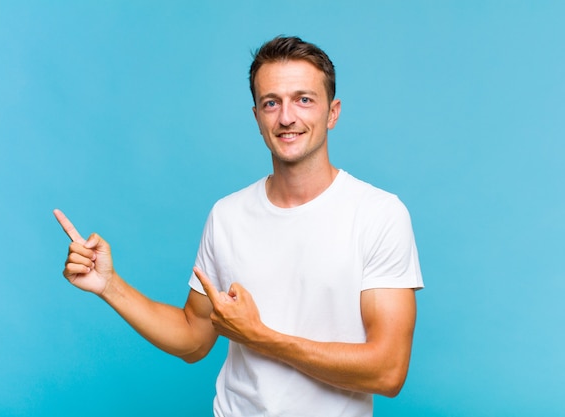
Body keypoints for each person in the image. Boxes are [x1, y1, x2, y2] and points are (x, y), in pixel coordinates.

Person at [54, 36, 424, 417]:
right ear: (257, 117)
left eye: (304, 99)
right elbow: (193, 339)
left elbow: (388, 371)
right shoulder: (227, 215)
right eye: (271, 103)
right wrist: (109, 285)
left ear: (333, 112)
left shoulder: (379, 214)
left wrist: (262, 338)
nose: (286, 117)